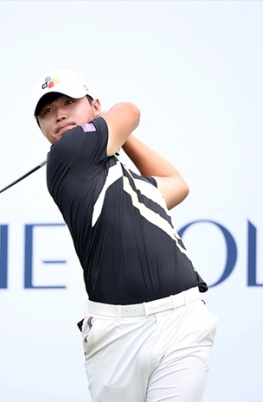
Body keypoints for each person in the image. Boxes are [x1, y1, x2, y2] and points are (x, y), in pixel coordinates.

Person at [31, 70, 218, 402]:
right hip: (117, 335)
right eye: (47, 111)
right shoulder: (68, 153)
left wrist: (115, 135)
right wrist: (107, 124)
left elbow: (175, 185)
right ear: (42, 128)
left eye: (69, 103)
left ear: (95, 107)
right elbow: (130, 111)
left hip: (182, 321)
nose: (58, 114)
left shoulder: (122, 180)